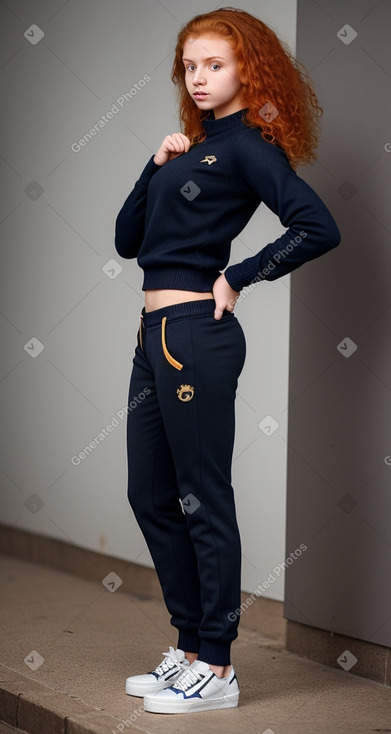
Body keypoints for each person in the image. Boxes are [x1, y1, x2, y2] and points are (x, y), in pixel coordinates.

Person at [114, 6, 341, 715]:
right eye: (190, 66)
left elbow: (316, 226)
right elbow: (127, 242)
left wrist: (239, 275)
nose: (201, 76)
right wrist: (152, 166)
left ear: (248, 67)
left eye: (215, 63)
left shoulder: (248, 147)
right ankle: (186, 647)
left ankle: (215, 666)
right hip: (152, 338)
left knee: (199, 496)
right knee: (150, 494)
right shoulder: (191, 148)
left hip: (194, 339)